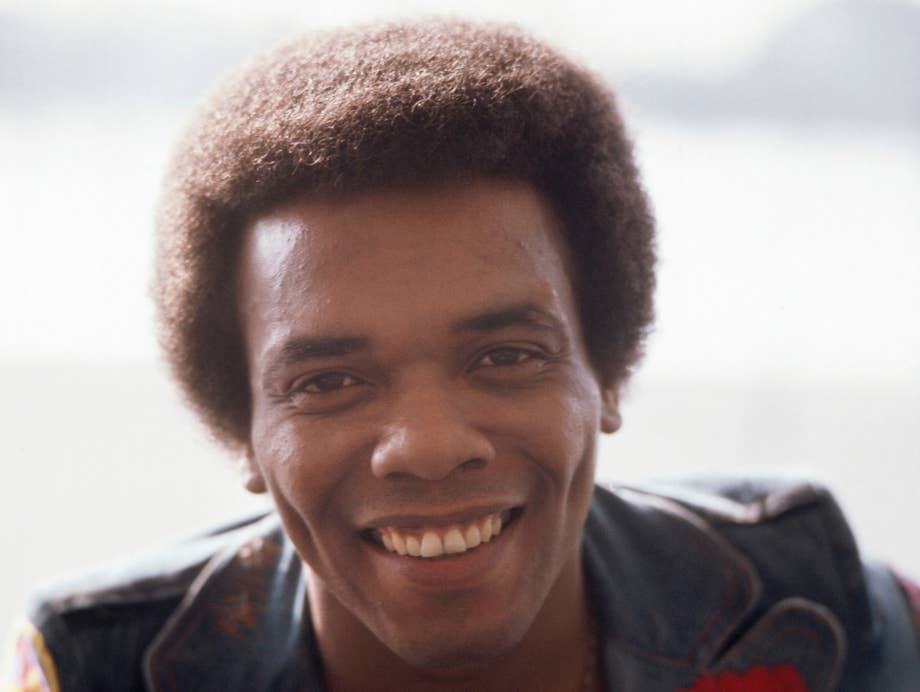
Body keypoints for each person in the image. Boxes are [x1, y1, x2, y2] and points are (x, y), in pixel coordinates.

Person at [4, 19, 919, 692]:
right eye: (328, 381)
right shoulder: (99, 669)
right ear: (242, 426)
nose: (431, 446)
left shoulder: (815, 607)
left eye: (505, 357)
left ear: (605, 368)